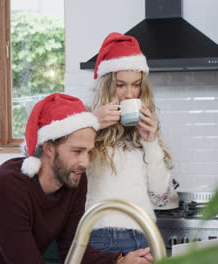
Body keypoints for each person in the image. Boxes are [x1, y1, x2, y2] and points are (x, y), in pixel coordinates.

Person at [0, 93, 153, 264]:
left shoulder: (73, 179)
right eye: (77, 151)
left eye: (89, 152)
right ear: (49, 148)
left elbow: (74, 249)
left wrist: (119, 260)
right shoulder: (5, 189)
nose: (85, 162)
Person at [86, 32, 179, 254]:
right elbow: (48, 158)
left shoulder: (145, 132)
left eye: (136, 85)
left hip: (147, 233)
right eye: (120, 85)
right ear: (107, 86)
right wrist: (91, 125)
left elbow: (162, 198)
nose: (129, 94)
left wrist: (151, 142)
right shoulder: (86, 123)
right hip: (104, 236)